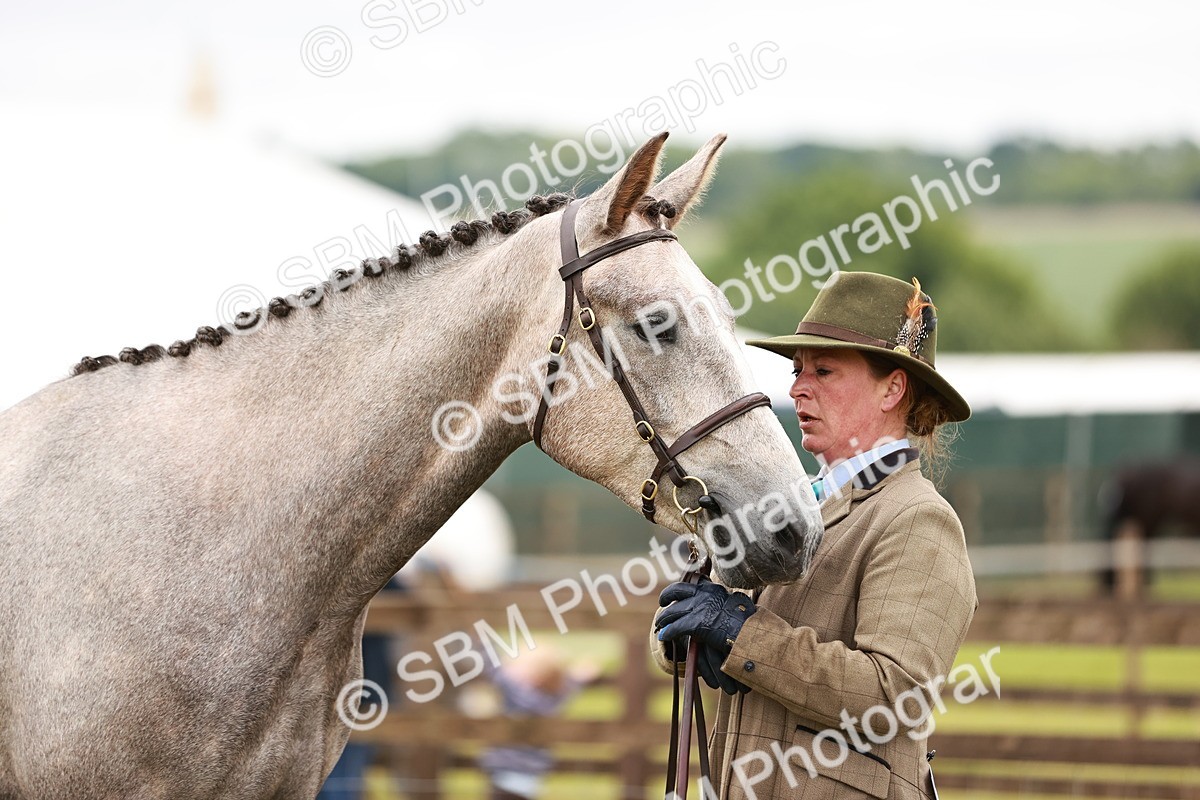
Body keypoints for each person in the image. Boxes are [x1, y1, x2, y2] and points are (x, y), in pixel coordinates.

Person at [653, 271, 977, 799]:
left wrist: (739, 634)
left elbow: (895, 697)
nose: (797, 388)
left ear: (893, 388)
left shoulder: (918, 518)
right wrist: (684, 636)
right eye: (798, 370)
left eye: (823, 371)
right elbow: (706, 630)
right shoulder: (784, 509)